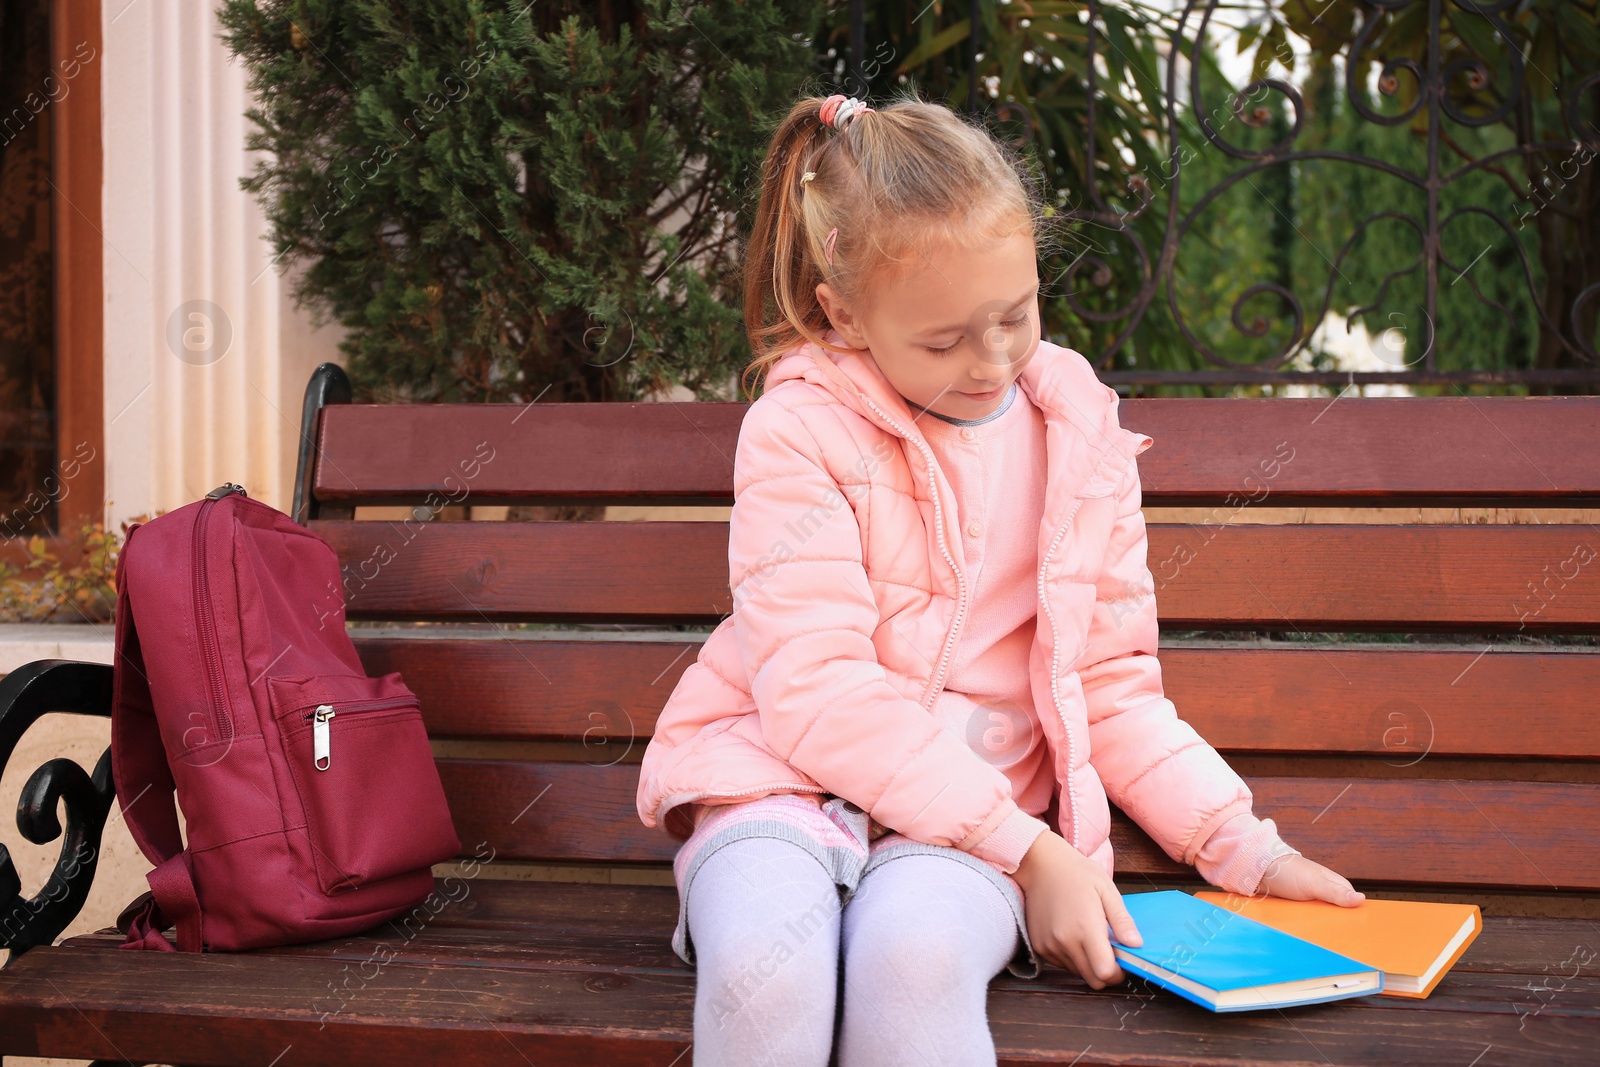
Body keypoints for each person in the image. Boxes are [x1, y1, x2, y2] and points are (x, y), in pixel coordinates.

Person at [634, 91, 1365, 1067]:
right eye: (941, 341)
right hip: (776, 788)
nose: (990, 362)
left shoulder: (1080, 440)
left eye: (1015, 316)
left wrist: (1248, 848)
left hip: (970, 828)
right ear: (841, 313)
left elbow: (1110, 688)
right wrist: (1033, 850)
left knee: (915, 962)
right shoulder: (797, 432)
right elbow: (813, 692)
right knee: (767, 967)